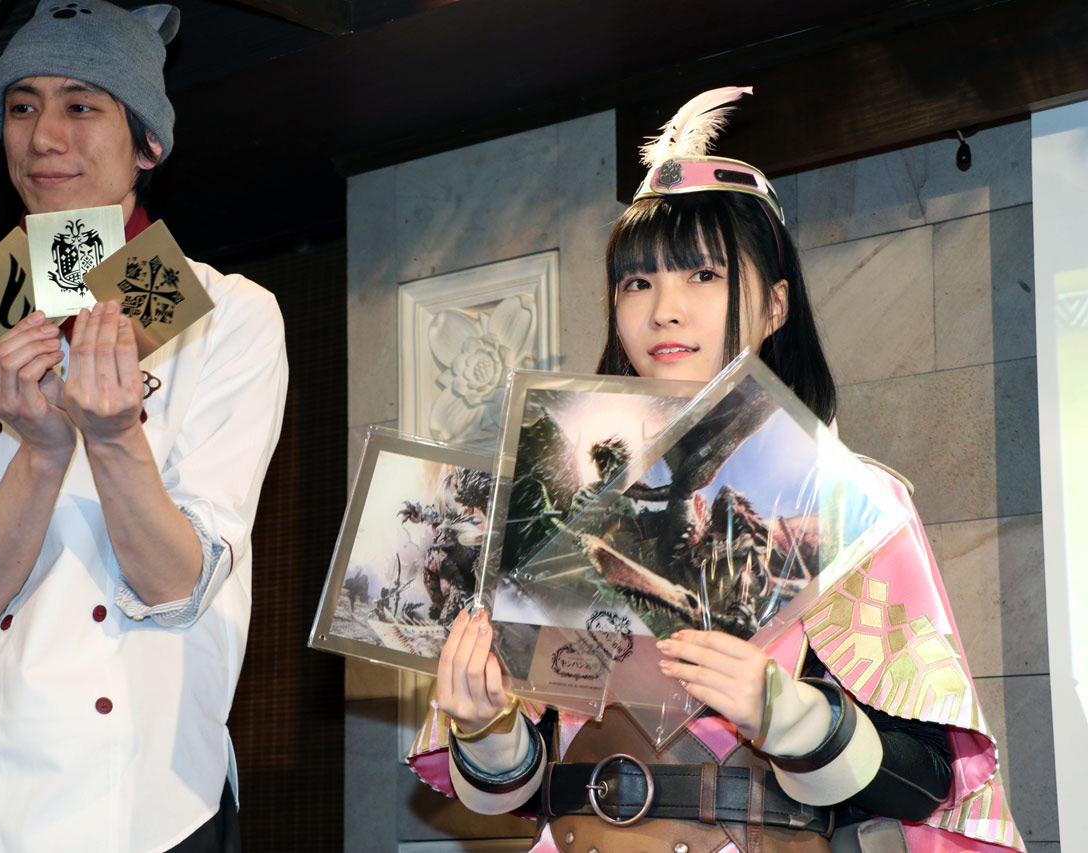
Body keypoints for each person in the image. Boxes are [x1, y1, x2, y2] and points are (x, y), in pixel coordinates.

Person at [408, 87, 1024, 852]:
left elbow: (930, 777)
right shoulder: (562, 497)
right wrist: (485, 728)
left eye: (703, 275)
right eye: (638, 282)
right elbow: (529, 783)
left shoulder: (849, 499)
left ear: (775, 306)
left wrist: (788, 716)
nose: (664, 309)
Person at [0, 2, 287, 851]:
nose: (44, 136)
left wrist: (112, 438)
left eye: (81, 105)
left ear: (148, 144)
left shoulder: (231, 315)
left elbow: (178, 587)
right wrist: (41, 453)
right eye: (21, 105)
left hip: (146, 806)